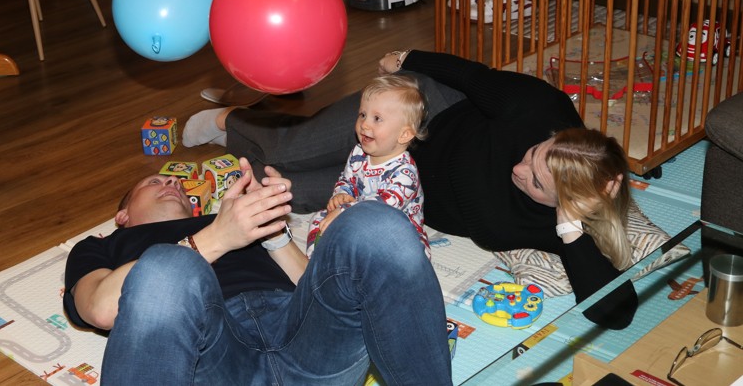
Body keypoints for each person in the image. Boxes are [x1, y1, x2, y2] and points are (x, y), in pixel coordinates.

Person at [183, 49, 638, 328]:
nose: (519, 168)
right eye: (534, 152)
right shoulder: (540, 107)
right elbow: (473, 77)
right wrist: (407, 60)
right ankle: (234, 119)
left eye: (535, 180)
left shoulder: (565, 225)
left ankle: (247, 140)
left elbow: (615, 312)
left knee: (287, 190)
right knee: (294, 147)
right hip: (425, 115)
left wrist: (570, 229)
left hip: (396, 186)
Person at [62, 158, 453, 385]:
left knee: (374, 222)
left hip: (309, 345)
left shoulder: (231, 219)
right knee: (166, 266)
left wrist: (274, 235)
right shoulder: (101, 246)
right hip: (214, 359)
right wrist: (215, 238)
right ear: (123, 215)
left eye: (175, 182)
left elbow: (323, 287)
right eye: (154, 182)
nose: (170, 183)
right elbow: (101, 308)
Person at [306, 74, 429, 259]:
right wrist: (341, 195)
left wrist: (345, 210)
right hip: (356, 218)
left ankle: (356, 262)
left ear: (404, 134)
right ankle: (317, 261)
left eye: (377, 118)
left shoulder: (405, 174)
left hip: (396, 233)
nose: (364, 124)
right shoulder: (358, 153)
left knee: (409, 255)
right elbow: (347, 179)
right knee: (319, 219)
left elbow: (381, 207)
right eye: (363, 115)